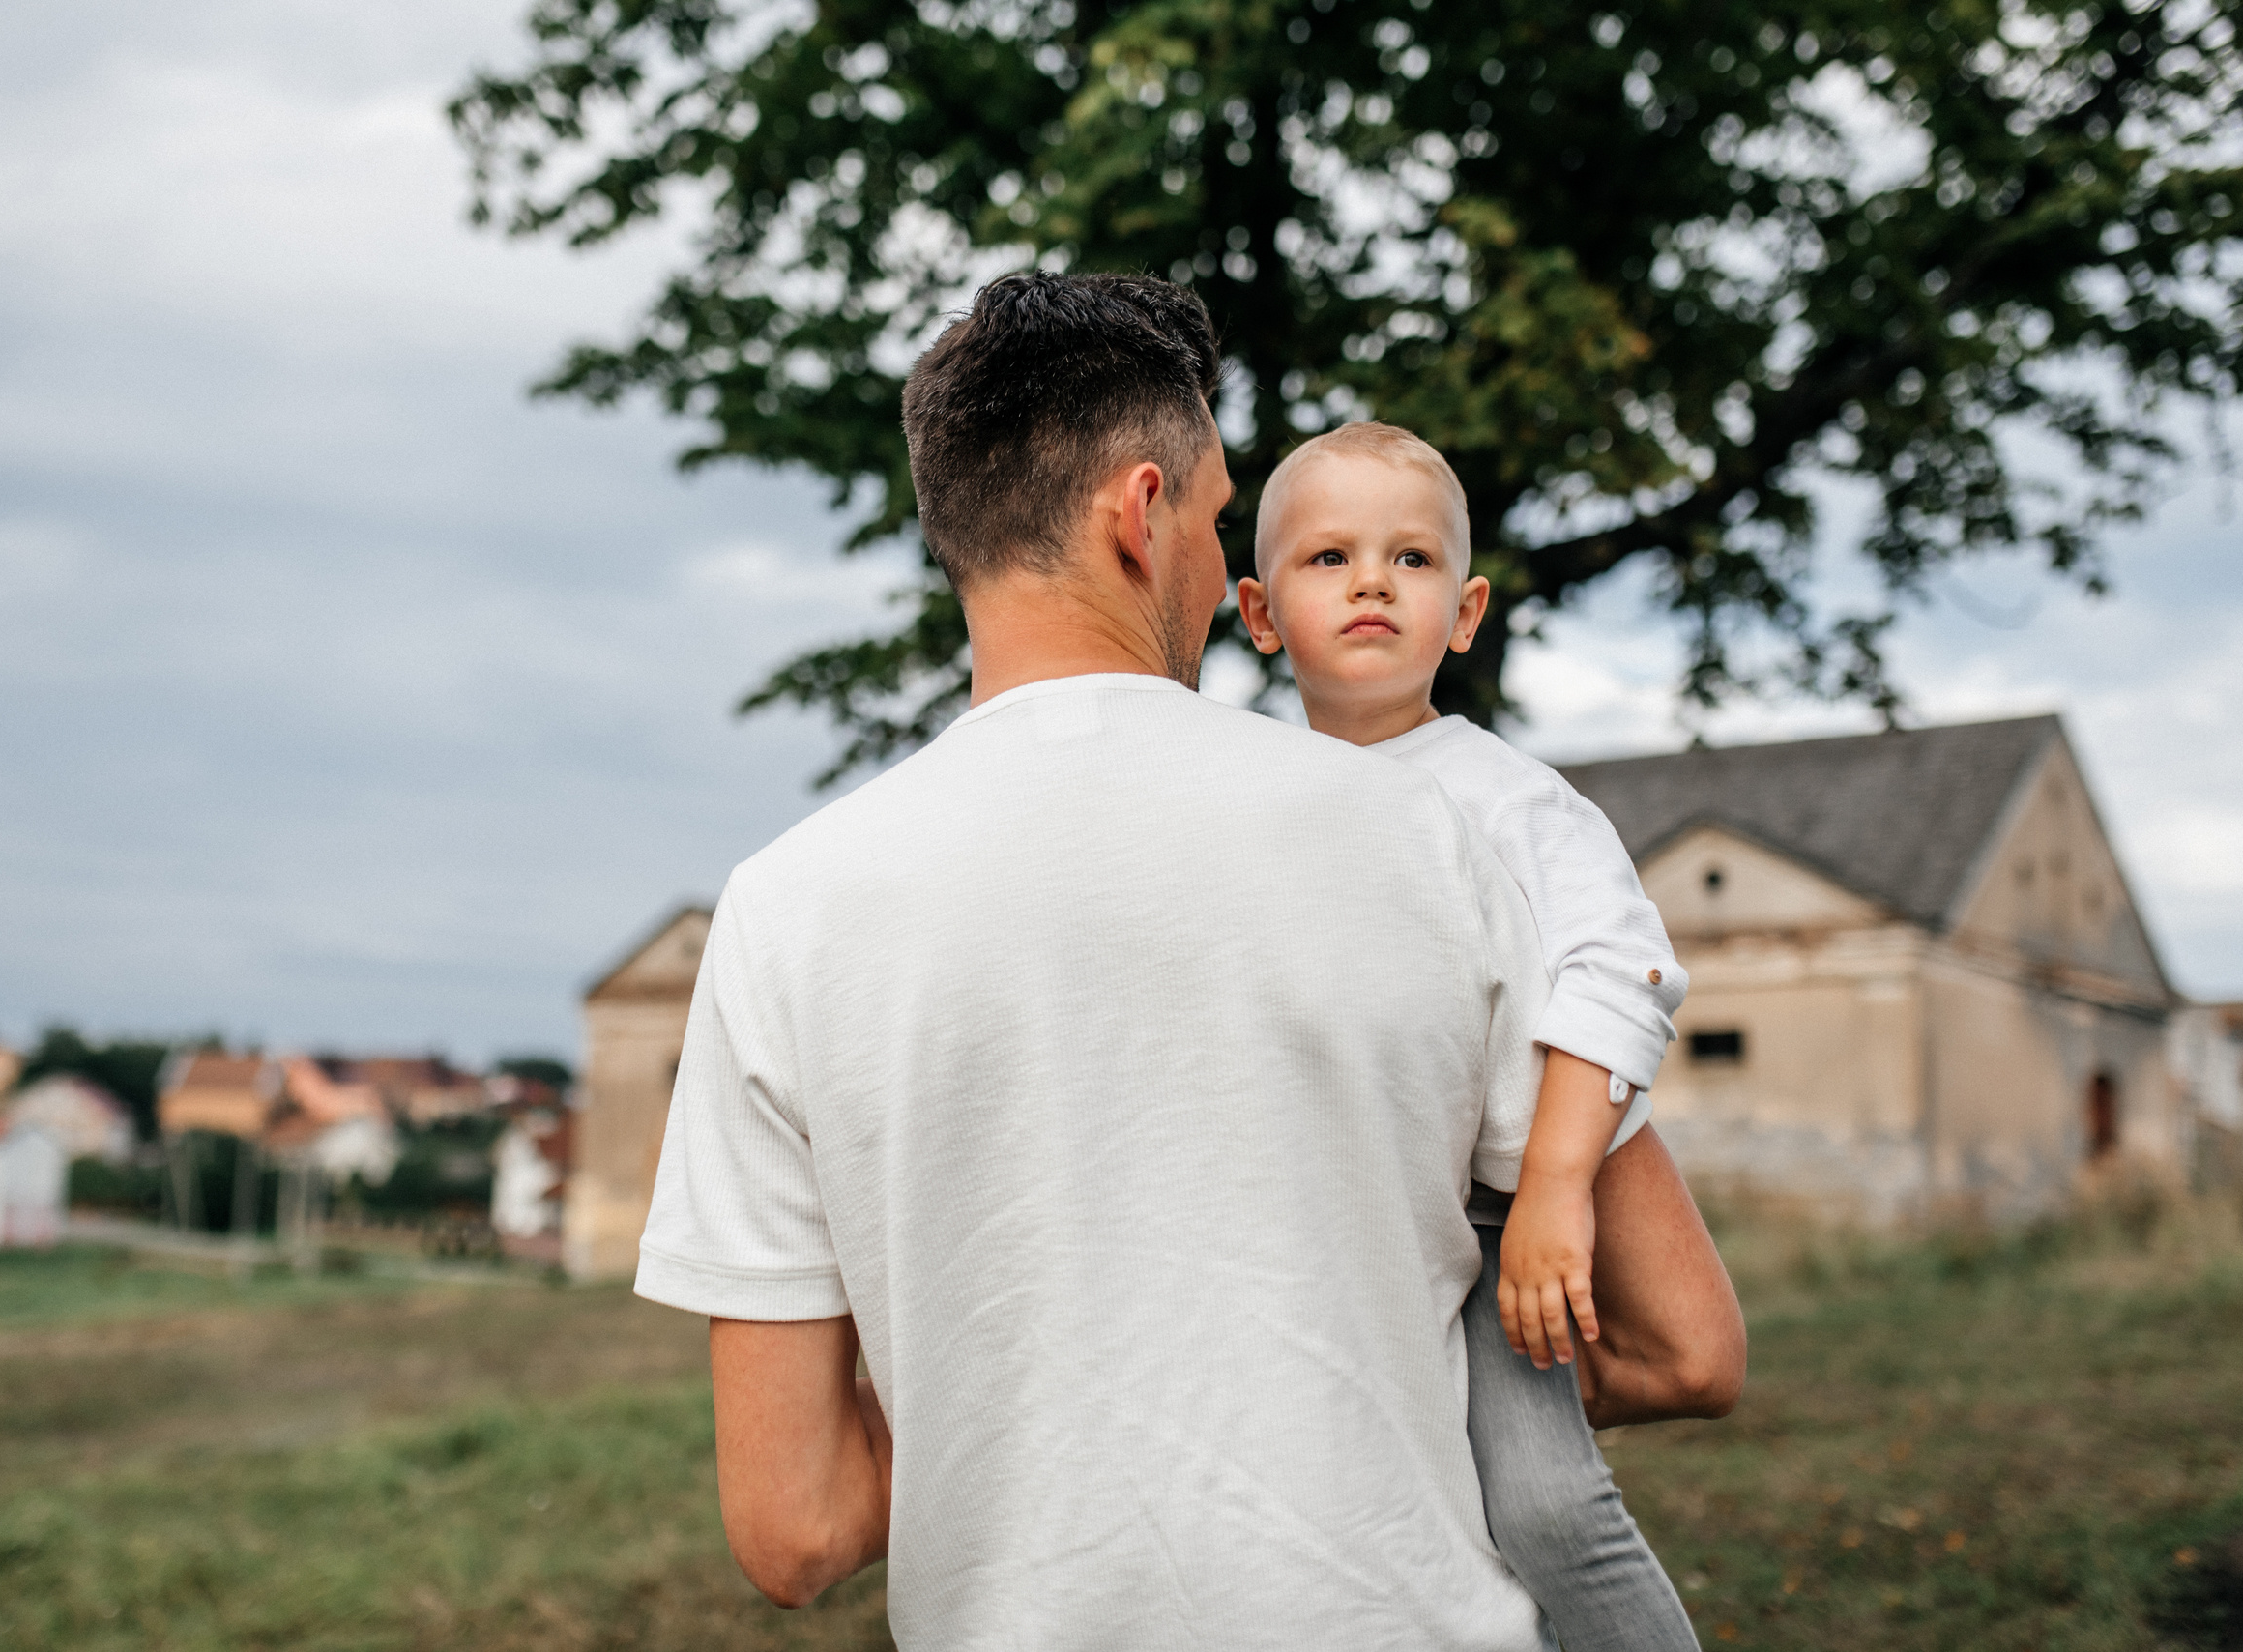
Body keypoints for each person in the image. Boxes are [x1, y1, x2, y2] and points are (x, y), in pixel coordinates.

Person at [635, 271, 1733, 1649]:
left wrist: (1032, 1411)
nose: (1229, 578)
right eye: (1223, 526)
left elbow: (794, 1532)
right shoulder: (1436, 835)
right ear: (1140, 516)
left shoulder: (782, 911)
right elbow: (1685, 1342)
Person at [1238, 420, 1744, 1648]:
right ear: (1257, 612)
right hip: (1354, 1217)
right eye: (1329, 559)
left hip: (1500, 1210)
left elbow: (1622, 972)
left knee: (1546, 1504)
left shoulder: (1511, 800)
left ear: (1462, 614)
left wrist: (1558, 1190)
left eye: (1410, 559)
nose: (1370, 581)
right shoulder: (1251, 808)